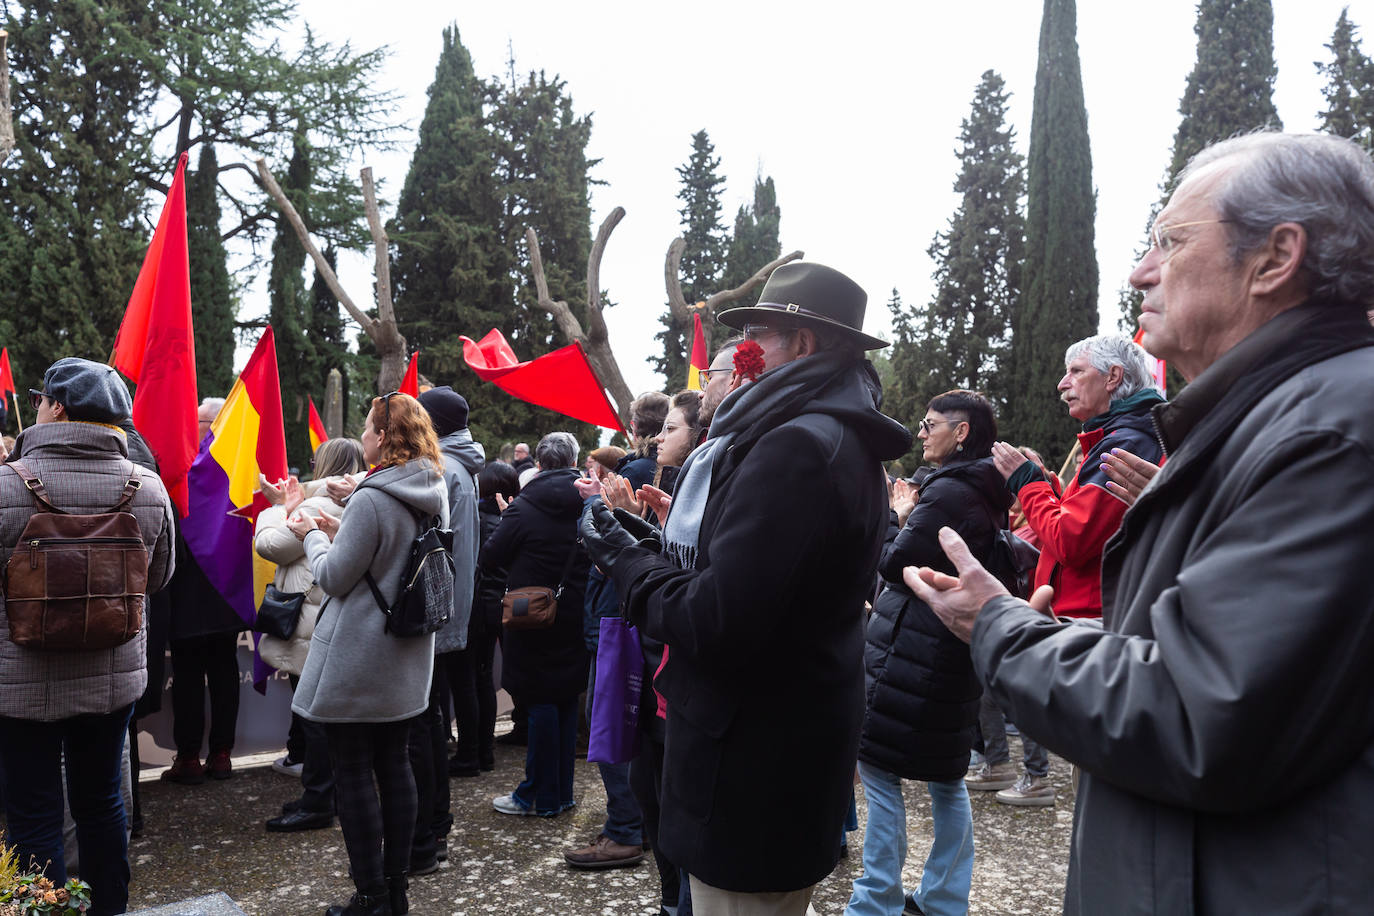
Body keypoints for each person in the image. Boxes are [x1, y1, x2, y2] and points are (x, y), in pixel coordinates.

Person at [908, 131, 1374, 913]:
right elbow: (1190, 650)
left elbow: (1198, 710)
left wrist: (1000, 626)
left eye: (1170, 241)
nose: (1140, 271)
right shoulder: (1268, 418)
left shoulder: (1327, 430)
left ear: (1276, 257)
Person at [582, 262, 912, 913]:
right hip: (777, 749)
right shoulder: (828, 437)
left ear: (807, 344)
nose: (739, 354)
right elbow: (756, 583)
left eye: (759, 335)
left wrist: (624, 560)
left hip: (752, 764)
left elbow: (718, 619)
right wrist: (649, 544)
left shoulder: (795, 447)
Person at [0, 358, 176, 915]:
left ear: (57, 407)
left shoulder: (6, 484)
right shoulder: (146, 487)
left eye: (39, 399)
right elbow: (161, 576)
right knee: (102, 802)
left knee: (33, 814)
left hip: (21, 688)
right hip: (111, 683)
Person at [969, 334, 1166, 807]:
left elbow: (1071, 542)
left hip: (1091, 623)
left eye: (1076, 371)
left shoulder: (1126, 443)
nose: (1062, 384)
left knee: (1094, 793)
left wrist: (1028, 485)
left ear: (1113, 377)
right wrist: (1052, 485)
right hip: (1086, 619)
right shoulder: (1116, 437)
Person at [846, 391, 1008, 916]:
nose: (921, 432)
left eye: (930, 423)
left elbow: (896, 565)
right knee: (945, 778)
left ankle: (876, 902)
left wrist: (897, 515)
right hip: (950, 652)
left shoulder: (945, 494)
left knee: (879, 772)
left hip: (913, 652)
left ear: (960, 433)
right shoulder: (983, 488)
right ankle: (943, 899)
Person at [287, 392, 448, 916]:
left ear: (384, 437)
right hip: (407, 652)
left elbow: (334, 576)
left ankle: (370, 897)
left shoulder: (372, 496)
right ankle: (396, 893)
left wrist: (313, 532)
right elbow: (393, 556)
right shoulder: (432, 488)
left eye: (368, 428)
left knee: (354, 771)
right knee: (396, 765)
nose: (362, 436)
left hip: (360, 653)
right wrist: (339, 531)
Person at [255, 437, 367, 834]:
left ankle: (319, 800)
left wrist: (275, 508)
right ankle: (322, 795)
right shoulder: (361, 496)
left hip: (311, 628)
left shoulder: (317, 503)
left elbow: (270, 546)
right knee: (326, 718)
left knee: (315, 718)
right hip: (336, 621)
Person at [482, 432, 590, 818]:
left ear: (539, 464)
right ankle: (561, 792)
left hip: (531, 613)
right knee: (562, 698)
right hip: (576, 610)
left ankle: (537, 796)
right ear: (575, 459)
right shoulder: (589, 502)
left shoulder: (525, 506)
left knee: (542, 700)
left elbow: (490, 557)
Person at [411, 386, 484, 872]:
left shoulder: (443, 470)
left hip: (435, 612)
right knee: (433, 717)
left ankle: (433, 824)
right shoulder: (459, 466)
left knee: (427, 721)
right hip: (451, 609)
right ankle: (436, 821)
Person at [163, 395, 244, 784]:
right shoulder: (235, 468)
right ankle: (218, 754)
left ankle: (192, 756)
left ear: (212, 425)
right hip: (221, 592)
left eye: (196, 421)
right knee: (220, 672)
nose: (190, 426)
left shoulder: (185, 468)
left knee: (192, 676)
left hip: (194, 591)